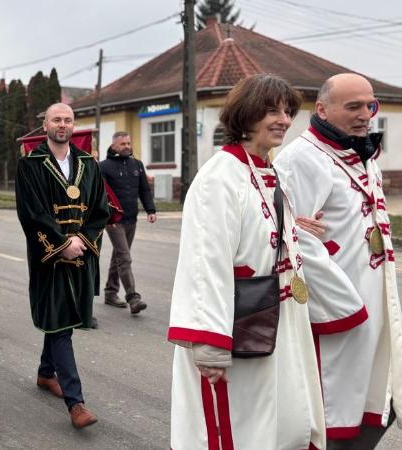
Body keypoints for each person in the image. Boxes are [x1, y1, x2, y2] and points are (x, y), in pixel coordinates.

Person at [167, 74, 325, 449]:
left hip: (274, 325)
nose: (284, 120)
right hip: (234, 334)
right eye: (272, 110)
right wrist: (209, 343)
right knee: (233, 430)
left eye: (288, 111)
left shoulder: (265, 170)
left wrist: (295, 231)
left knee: (273, 425)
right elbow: (206, 263)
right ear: (246, 114)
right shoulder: (219, 179)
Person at [273, 73, 402, 449]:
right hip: (338, 310)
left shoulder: (358, 151)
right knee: (333, 405)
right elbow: (288, 239)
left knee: (379, 394)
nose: (366, 114)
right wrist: (343, 310)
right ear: (323, 110)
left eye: (370, 105)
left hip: (375, 301)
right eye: (354, 107)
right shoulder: (301, 158)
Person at [15, 103, 110, 428]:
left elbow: (100, 208)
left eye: (68, 120)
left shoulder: (88, 163)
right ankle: (76, 403)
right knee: (59, 326)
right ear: (45, 124)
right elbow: (32, 212)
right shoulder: (31, 164)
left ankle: (45, 373)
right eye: (57, 119)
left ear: (73, 126)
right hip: (50, 259)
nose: (63, 124)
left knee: (62, 322)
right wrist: (60, 244)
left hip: (82, 254)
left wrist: (82, 240)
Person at [99, 132, 155, 313]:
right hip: (113, 221)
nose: (127, 146)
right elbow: (101, 195)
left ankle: (110, 292)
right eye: (123, 143)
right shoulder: (104, 167)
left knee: (119, 257)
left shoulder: (136, 165)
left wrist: (150, 210)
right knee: (125, 258)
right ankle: (133, 298)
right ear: (114, 145)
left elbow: (144, 190)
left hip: (132, 219)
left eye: (129, 143)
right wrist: (107, 217)